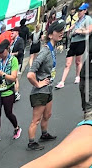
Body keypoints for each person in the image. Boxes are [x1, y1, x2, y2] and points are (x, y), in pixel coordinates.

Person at [26, 19, 65, 151]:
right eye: (58, 31)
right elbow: (30, 74)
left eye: (62, 30)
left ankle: (44, 134)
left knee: (47, 115)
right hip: (40, 91)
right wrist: (38, 84)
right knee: (35, 120)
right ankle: (31, 142)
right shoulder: (44, 51)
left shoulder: (52, 49)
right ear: (50, 34)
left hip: (48, 89)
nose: (61, 33)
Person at [0, 40, 22, 145]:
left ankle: (17, 128)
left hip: (7, 91)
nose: (0, 54)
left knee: (8, 113)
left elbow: (13, 77)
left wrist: (3, 74)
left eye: (2, 52)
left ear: (7, 50)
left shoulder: (13, 60)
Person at [55, 3, 92, 89]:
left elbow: (89, 30)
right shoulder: (77, 20)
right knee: (68, 63)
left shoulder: (88, 19)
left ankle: (77, 76)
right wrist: (69, 30)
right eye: (78, 10)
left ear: (85, 11)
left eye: (81, 11)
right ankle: (62, 81)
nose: (79, 12)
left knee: (78, 61)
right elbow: (71, 28)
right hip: (73, 41)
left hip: (81, 41)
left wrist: (80, 31)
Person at [9, 27, 24, 101]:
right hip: (12, 61)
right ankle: (15, 92)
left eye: (13, 32)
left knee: (15, 78)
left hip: (17, 61)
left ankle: (16, 93)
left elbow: (21, 51)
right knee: (14, 77)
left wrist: (13, 54)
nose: (11, 34)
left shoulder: (20, 40)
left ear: (17, 32)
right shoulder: (13, 41)